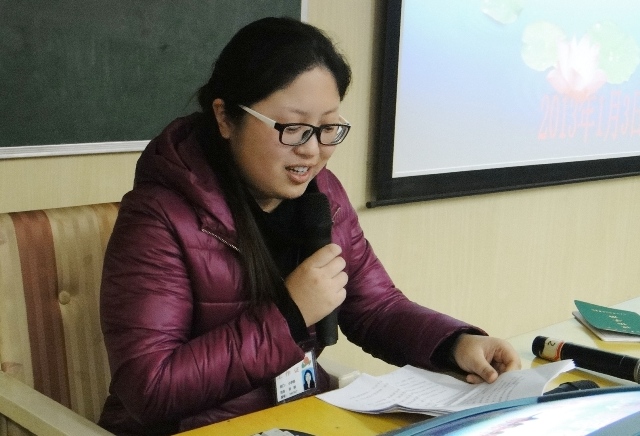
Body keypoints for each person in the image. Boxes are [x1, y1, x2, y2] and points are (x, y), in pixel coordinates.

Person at [98, 16, 521, 435]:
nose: (313, 151)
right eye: (294, 128)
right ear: (225, 117)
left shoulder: (324, 195)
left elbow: (376, 307)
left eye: (328, 128)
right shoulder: (157, 218)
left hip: (297, 421)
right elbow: (149, 388)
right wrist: (290, 314)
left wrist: (455, 344)